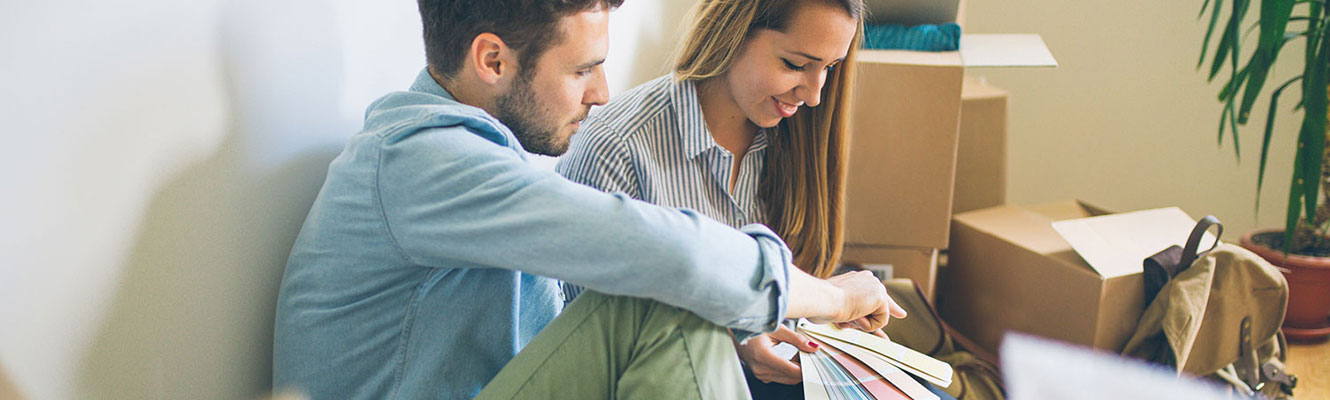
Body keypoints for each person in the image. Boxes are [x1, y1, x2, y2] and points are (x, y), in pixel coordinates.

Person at [271, 0, 903, 399]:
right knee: (661, 302)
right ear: (492, 59)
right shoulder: (423, 163)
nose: (601, 93)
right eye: (581, 70)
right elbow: (669, 256)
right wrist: (839, 296)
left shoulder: (477, 157)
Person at [555, 0, 869, 393]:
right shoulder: (616, 148)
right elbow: (598, 340)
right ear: (732, 33)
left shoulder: (795, 139)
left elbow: (793, 297)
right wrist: (738, 340)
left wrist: (837, 335)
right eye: (794, 64)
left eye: (829, 68)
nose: (814, 96)